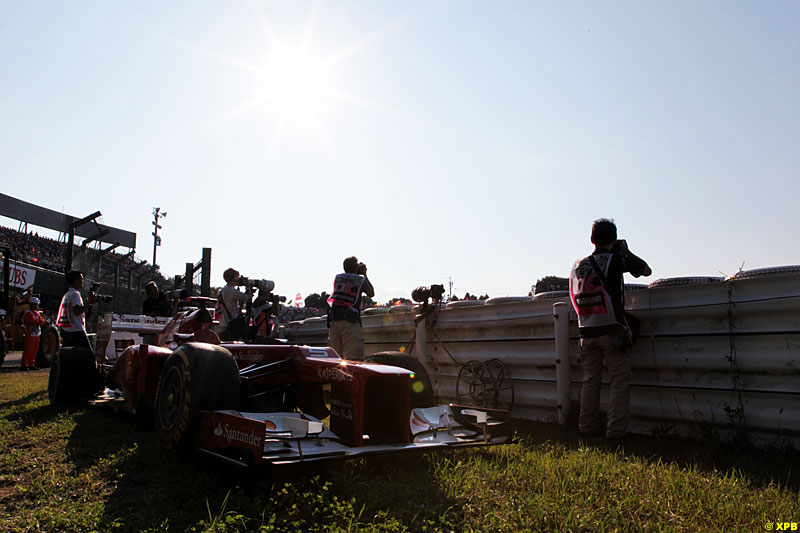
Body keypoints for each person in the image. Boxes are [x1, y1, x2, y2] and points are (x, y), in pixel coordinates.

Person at [569, 219, 651, 439]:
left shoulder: (578, 265)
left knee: (590, 382)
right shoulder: (615, 260)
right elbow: (645, 271)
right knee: (619, 381)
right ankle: (615, 432)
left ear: (592, 239)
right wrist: (626, 251)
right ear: (614, 239)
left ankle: (586, 428)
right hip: (612, 330)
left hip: (586, 330)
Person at [327, 256, 374, 361]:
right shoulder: (360, 279)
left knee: (335, 358)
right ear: (356, 267)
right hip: (350, 322)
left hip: (334, 320)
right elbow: (371, 293)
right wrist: (364, 274)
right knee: (353, 358)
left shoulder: (338, 277)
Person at [56, 270, 95, 351]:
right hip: (76, 330)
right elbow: (77, 311)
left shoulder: (67, 295)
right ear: (75, 280)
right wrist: (88, 302)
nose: (82, 282)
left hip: (67, 330)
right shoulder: (75, 294)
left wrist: (89, 304)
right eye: (81, 279)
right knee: (88, 354)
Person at [216, 268, 251, 341]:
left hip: (221, 325)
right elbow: (248, 298)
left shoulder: (223, 290)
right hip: (228, 326)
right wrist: (248, 286)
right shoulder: (230, 290)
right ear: (235, 278)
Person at [21, 297, 46, 370]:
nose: (36, 306)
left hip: (36, 334)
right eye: (35, 304)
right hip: (30, 334)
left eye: (37, 304)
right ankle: (24, 365)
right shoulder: (28, 313)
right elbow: (32, 320)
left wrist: (38, 321)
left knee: (34, 350)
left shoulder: (37, 313)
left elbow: (42, 321)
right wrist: (38, 321)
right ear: (31, 304)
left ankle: (31, 364)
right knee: (28, 350)